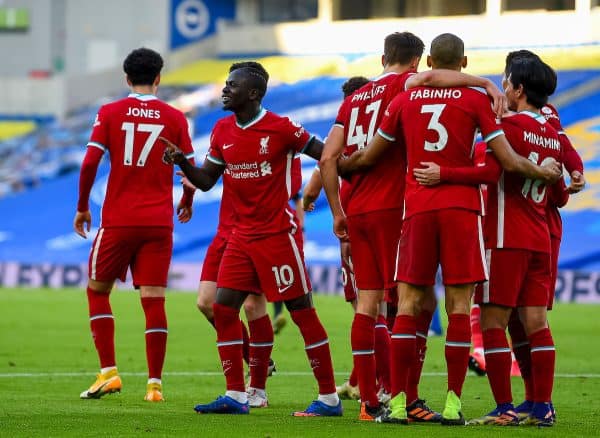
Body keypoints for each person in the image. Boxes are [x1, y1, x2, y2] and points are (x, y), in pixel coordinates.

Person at [339, 33, 561, 425]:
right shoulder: (478, 99)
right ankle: (453, 403)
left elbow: (370, 154)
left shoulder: (403, 98)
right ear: (463, 63)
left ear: (427, 62)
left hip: (416, 211)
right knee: (459, 308)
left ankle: (397, 402)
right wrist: (543, 170)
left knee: (406, 306)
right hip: (462, 212)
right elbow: (504, 163)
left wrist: (344, 165)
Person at [162, 62, 342, 417]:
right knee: (222, 308)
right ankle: (236, 394)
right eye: (225, 84)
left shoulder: (282, 127)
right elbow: (207, 180)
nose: (225, 90)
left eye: (232, 85)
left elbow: (326, 154)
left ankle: (329, 399)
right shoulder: (222, 129)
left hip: (277, 234)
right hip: (240, 236)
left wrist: (345, 182)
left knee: (302, 312)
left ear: (254, 93)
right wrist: (182, 161)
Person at [74, 47, 195, 402]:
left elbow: (89, 163)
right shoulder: (175, 117)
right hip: (159, 223)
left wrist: (82, 207)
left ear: (127, 78)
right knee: (154, 299)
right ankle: (154, 385)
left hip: (119, 220)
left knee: (97, 291)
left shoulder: (110, 112)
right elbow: (188, 173)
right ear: (159, 78)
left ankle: (109, 372)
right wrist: (185, 201)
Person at [303, 75, 370, 403]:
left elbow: (319, 174)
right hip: (396, 218)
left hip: (356, 222)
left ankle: (374, 384)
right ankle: (361, 380)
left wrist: (308, 200)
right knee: (389, 306)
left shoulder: (346, 128)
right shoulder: (385, 121)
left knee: (364, 307)